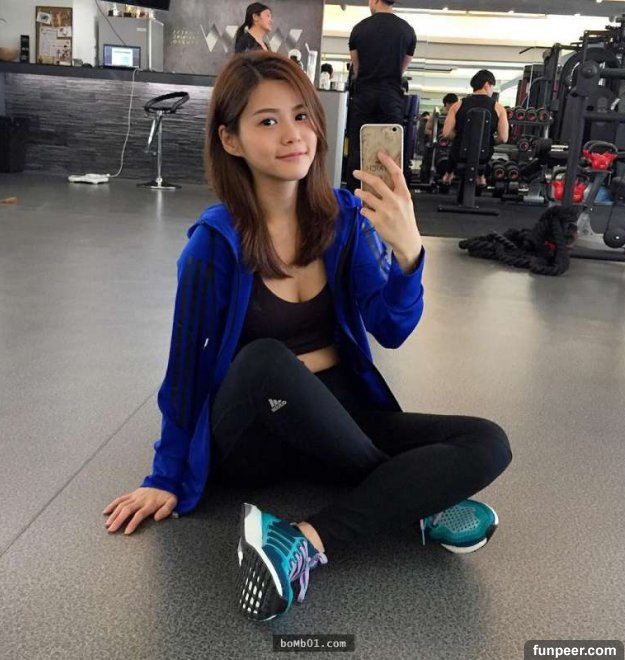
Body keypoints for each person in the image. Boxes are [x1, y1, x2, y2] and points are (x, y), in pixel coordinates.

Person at [103, 51, 512, 624]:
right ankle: (412, 502)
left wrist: (408, 253)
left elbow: (391, 329)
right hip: (255, 427)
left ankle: (305, 539)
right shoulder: (213, 245)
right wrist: (165, 477)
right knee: (266, 361)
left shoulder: (344, 220)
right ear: (231, 140)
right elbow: (184, 371)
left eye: (301, 115)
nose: (293, 134)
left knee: (489, 442)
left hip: (335, 417)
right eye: (267, 121)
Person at [345, 0, 417, 192]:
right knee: (391, 151)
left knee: (358, 148)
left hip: (364, 96)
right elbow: (402, 68)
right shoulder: (407, 30)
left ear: (375, 0)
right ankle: (390, 196)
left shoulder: (359, 28)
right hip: (391, 96)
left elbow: (356, 68)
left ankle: (355, 196)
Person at [441, 70, 509, 186]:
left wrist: (462, 139)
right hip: (483, 156)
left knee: (457, 145)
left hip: (459, 155)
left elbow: (446, 133)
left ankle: (448, 174)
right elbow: (503, 138)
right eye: (492, 87)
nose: (492, 90)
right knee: (485, 151)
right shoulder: (499, 108)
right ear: (487, 85)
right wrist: (486, 142)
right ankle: (480, 176)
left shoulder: (457, 105)